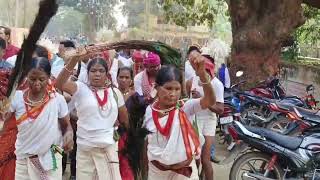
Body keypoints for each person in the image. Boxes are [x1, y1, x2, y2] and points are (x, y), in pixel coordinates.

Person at [56, 49, 129, 180]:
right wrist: (75, 60)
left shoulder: (115, 92)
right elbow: (59, 83)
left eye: (101, 71)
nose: (97, 74)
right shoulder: (80, 88)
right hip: (85, 149)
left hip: (108, 148)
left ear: (107, 74)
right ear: (87, 73)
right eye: (93, 71)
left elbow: (124, 119)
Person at [143, 50, 216, 180]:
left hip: (183, 173)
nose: (173, 94)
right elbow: (147, 141)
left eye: (177, 89)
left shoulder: (185, 107)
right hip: (157, 172)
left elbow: (210, 101)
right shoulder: (150, 111)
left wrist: (203, 76)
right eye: (168, 88)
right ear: (157, 88)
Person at [1, 57, 73, 180]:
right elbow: (4, 124)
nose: (37, 83)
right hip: (24, 157)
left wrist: (69, 135)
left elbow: (67, 126)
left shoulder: (57, 99)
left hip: (52, 155)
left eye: (42, 79)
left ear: (49, 77)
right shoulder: (17, 98)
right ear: (26, 77)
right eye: (32, 79)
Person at [187, 51, 224, 180]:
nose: (197, 72)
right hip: (195, 120)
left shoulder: (217, 84)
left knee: (205, 159)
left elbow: (220, 109)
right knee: (194, 158)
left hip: (209, 121)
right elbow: (188, 98)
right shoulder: (194, 79)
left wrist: (203, 100)